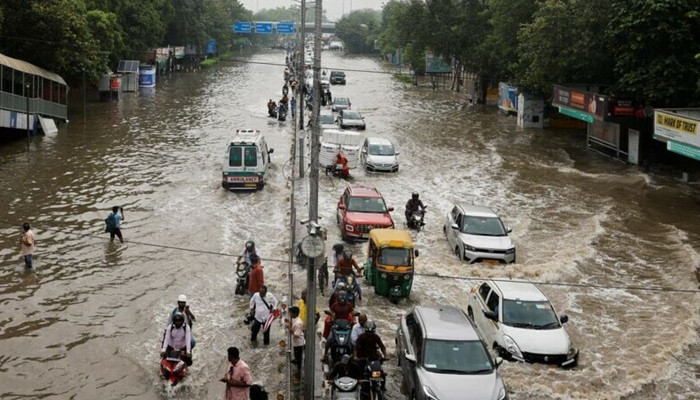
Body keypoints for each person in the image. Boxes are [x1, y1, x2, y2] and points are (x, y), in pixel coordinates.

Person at [288, 306, 305, 376]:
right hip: (296, 343)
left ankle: (299, 372)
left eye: (291, 313)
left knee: (299, 358)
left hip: (299, 343)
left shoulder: (297, 323)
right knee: (296, 355)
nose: (290, 314)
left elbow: (296, 334)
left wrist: (290, 329)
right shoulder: (296, 320)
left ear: (294, 314)